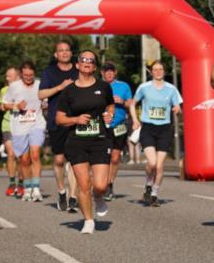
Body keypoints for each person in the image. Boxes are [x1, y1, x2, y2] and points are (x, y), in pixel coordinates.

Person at [55, 49, 114, 234]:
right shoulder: (69, 91)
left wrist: (109, 115)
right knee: (83, 184)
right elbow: (59, 119)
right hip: (77, 141)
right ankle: (88, 220)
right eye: (84, 59)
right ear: (77, 65)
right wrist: (76, 120)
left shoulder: (104, 87)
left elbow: (110, 104)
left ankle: (98, 197)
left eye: (91, 60)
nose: (87, 62)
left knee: (100, 185)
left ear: (94, 66)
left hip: (100, 139)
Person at [130, 60, 182, 207]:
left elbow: (177, 105)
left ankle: (154, 194)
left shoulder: (171, 89)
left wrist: (177, 109)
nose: (158, 72)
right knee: (152, 163)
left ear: (164, 71)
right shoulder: (144, 87)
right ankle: (148, 183)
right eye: (155, 69)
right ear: (151, 72)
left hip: (164, 129)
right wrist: (135, 120)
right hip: (148, 128)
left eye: (160, 69)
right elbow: (133, 103)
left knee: (159, 166)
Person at [39, 40, 79, 212]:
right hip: (57, 120)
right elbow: (41, 94)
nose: (64, 53)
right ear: (56, 54)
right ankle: (62, 191)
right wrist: (60, 87)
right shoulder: (49, 72)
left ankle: (73, 197)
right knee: (59, 159)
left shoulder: (78, 71)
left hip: (77, 120)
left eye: (67, 50)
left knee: (75, 161)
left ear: (71, 53)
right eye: (60, 50)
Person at [2, 61, 45, 202]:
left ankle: (37, 188)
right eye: (25, 75)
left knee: (35, 154)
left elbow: (46, 100)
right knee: (24, 160)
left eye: (31, 75)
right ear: (21, 74)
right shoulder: (14, 87)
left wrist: (45, 104)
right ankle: (27, 188)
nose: (28, 78)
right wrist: (16, 106)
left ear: (34, 74)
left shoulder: (40, 85)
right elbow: (3, 105)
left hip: (37, 124)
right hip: (19, 127)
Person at [101, 62, 132, 202]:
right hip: (102, 125)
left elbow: (130, 104)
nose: (109, 73)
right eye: (106, 71)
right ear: (102, 73)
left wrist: (122, 102)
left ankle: (109, 185)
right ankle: (100, 183)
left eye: (111, 71)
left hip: (119, 126)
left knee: (114, 158)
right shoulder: (97, 85)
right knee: (103, 158)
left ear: (115, 72)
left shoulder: (123, 86)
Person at [0, 66, 21, 196]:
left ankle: (22, 183)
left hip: (22, 126)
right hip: (8, 125)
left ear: (17, 76)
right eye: (6, 76)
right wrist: (12, 105)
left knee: (21, 156)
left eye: (9, 75)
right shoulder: (4, 90)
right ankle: (12, 183)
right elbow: (1, 107)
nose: (7, 78)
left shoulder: (26, 89)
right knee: (11, 154)